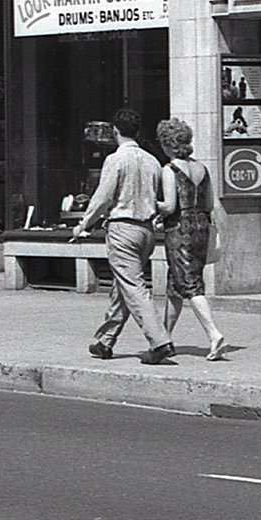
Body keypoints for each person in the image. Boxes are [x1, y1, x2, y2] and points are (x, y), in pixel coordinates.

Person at [73, 107, 174, 365]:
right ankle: (105, 341)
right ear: (138, 132)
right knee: (124, 286)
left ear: (115, 131)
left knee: (133, 286)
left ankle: (159, 341)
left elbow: (103, 197)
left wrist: (84, 223)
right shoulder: (152, 160)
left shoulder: (116, 160)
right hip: (147, 231)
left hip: (123, 228)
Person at [156, 117, 229, 362]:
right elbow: (209, 204)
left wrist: (151, 204)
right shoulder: (202, 169)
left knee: (190, 284)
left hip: (179, 230)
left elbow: (169, 206)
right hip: (201, 227)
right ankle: (163, 339)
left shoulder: (170, 170)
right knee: (176, 285)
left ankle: (214, 334)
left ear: (167, 145)